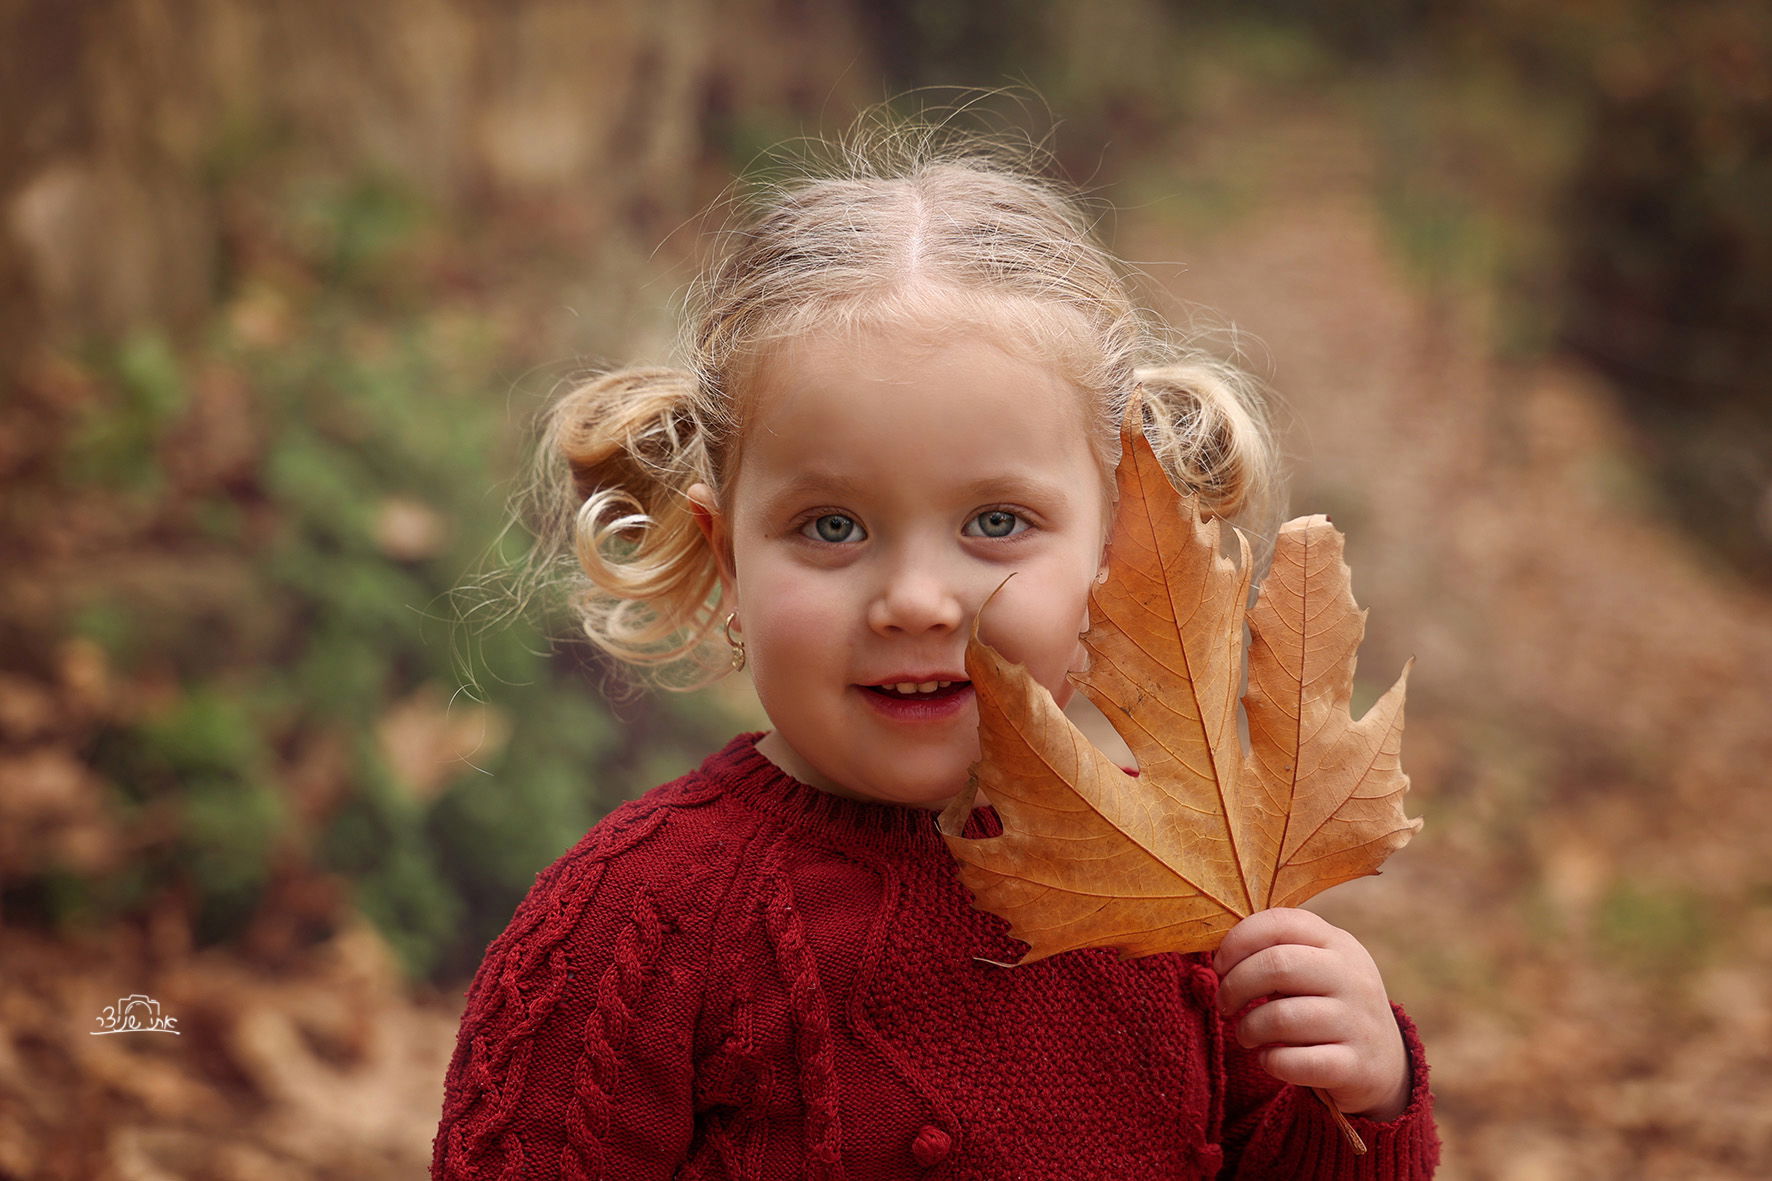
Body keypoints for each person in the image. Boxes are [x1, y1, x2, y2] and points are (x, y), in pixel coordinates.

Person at [431, 112, 1440, 1179]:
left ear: (1117, 549)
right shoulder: (636, 925)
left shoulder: (1195, 890)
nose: (915, 599)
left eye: (994, 522)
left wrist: (1362, 1093)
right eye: (831, 527)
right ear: (723, 556)